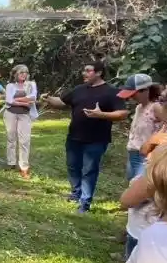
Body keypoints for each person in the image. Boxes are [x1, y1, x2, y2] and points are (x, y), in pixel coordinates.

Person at [41, 61, 128, 213]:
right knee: (73, 166)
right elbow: (62, 102)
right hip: (74, 136)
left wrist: (101, 115)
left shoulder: (112, 92)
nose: (84, 73)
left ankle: (85, 203)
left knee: (89, 170)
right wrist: (48, 99)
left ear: (99, 73)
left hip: (96, 139)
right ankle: (76, 193)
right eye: (84, 70)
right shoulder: (79, 89)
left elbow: (122, 114)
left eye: (88, 71)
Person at [118, 74, 164, 181]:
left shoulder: (156, 107)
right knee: (131, 183)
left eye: (134, 94)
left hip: (147, 156)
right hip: (133, 153)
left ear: (146, 90)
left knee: (139, 187)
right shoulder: (139, 107)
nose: (131, 97)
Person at [3, 64, 39, 179]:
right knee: (11, 137)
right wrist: (24, 102)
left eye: (26, 72)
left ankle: (24, 167)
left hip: (24, 115)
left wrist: (16, 100)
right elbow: (8, 100)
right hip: (10, 114)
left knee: (24, 140)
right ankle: (11, 162)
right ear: (15, 74)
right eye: (21, 72)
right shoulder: (10, 86)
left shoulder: (31, 84)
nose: (24, 75)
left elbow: (33, 98)